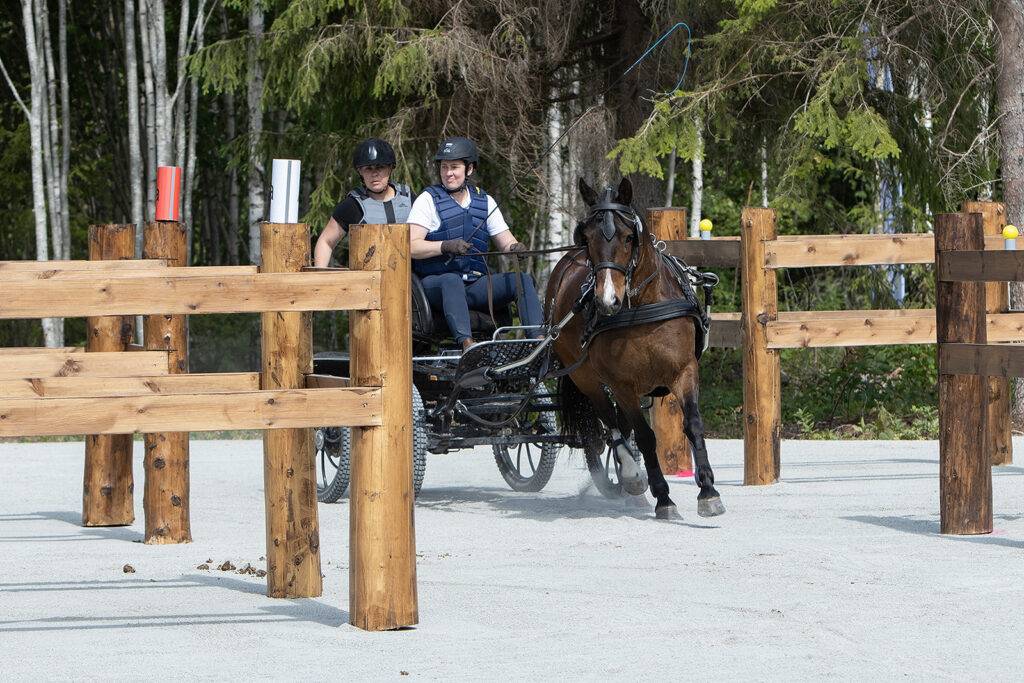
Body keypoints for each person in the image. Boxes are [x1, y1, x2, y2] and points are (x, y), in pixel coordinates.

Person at [408, 136, 544, 351]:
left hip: (473, 285)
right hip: (434, 286)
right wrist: (445, 246)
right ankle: (468, 346)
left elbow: (505, 241)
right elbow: (411, 246)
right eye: (444, 167)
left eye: (454, 167)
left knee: (523, 279)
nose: (448, 173)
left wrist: (515, 248)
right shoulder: (428, 199)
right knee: (451, 280)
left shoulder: (485, 201)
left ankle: (536, 342)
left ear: (469, 169)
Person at [313, 138, 413, 267]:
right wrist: (319, 278)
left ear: (390, 168)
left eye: (380, 167)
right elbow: (326, 241)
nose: (374, 174)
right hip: (369, 279)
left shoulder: (409, 197)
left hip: (410, 275)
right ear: (360, 171)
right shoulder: (352, 205)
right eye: (368, 168)